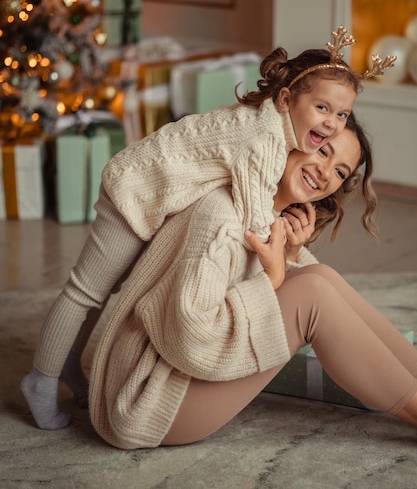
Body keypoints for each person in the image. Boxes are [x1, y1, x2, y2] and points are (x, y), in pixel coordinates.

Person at [20, 27, 393, 430]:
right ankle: (40, 380)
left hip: (158, 197)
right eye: (323, 108)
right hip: (136, 191)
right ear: (286, 99)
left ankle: (69, 366)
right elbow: (254, 215)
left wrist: (292, 257)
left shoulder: (276, 130)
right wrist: (274, 258)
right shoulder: (263, 139)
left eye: (340, 115)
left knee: (105, 290)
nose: (333, 124)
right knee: (86, 290)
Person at [86, 114, 417, 449]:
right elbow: (192, 338)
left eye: (341, 171)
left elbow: (250, 292)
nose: (325, 172)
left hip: (184, 380)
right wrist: (273, 278)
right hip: (151, 399)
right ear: (293, 140)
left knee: (319, 277)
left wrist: (289, 255)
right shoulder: (222, 214)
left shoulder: (261, 212)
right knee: (312, 292)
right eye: (322, 151)